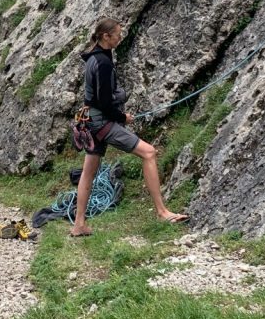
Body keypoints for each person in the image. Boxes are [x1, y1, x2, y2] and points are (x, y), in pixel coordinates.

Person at [70, 18, 188, 237]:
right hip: (101, 123)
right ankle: (162, 212)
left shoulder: (95, 57)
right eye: (117, 34)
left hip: (89, 122)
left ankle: (79, 224)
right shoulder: (103, 63)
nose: (120, 37)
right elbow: (104, 102)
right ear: (106, 36)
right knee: (149, 152)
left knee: (88, 172)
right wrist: (122, 117)